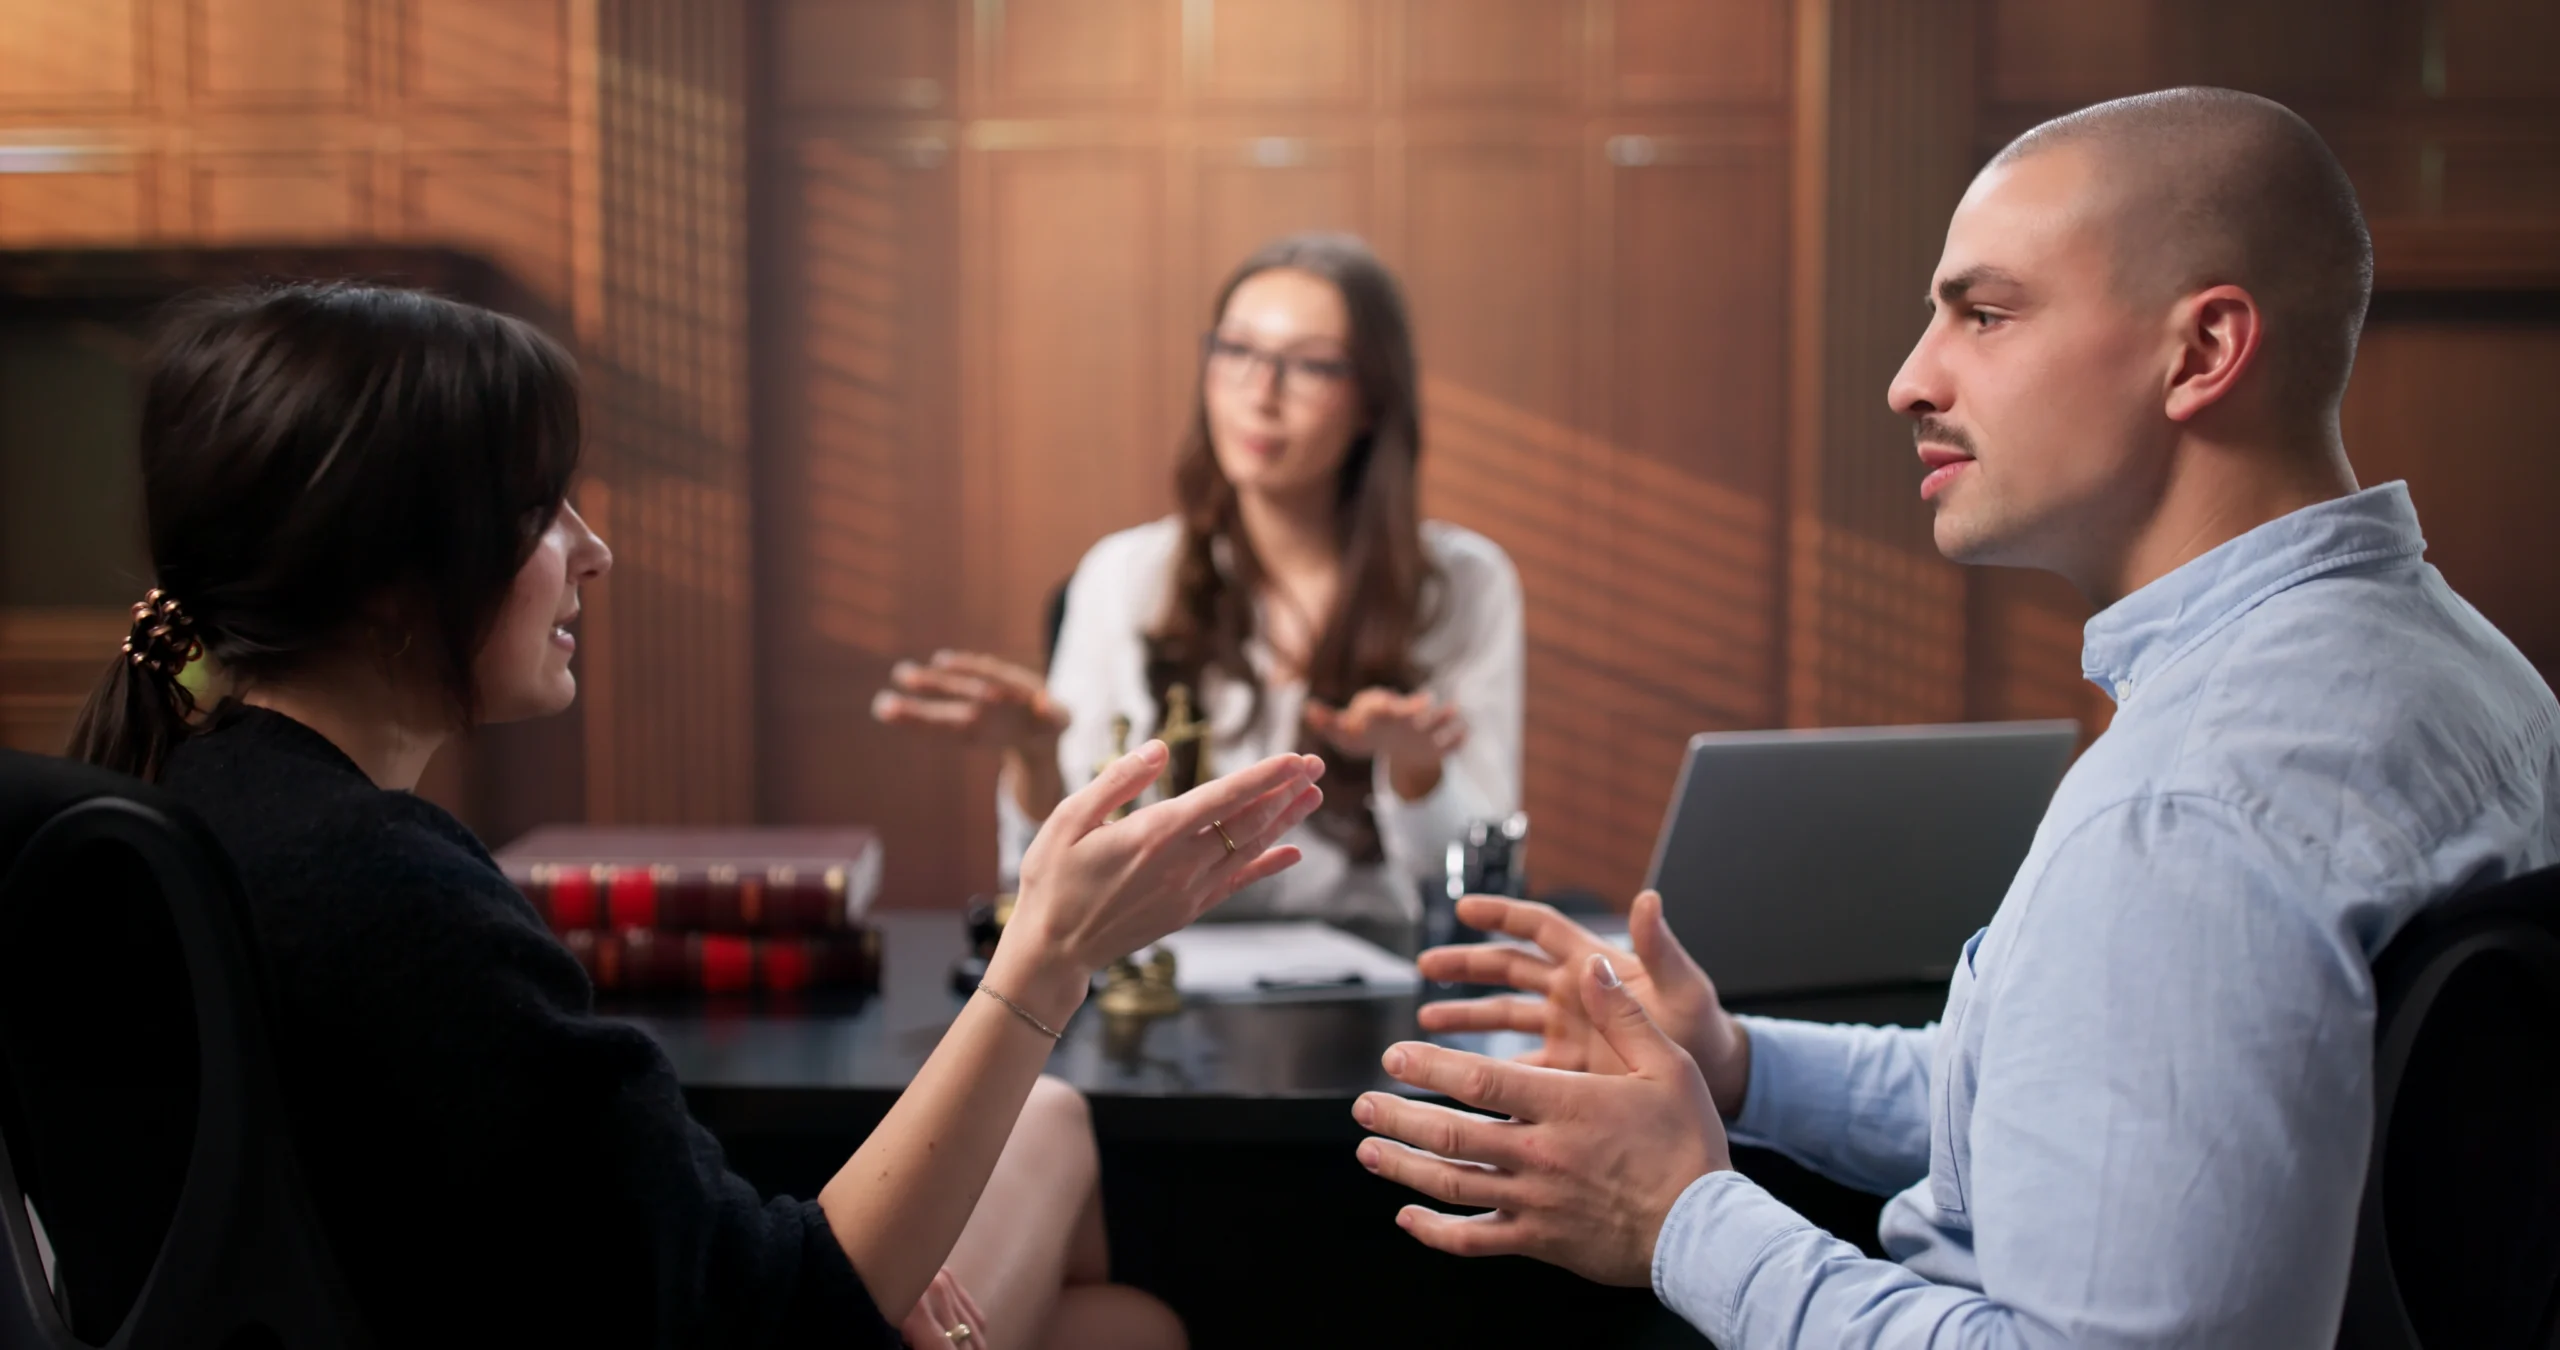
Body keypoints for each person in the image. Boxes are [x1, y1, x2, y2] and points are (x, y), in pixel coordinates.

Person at [1348, 86, 2560, 1347]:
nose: (1907, 381)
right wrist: (1736, 1066)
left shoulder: (2188, 813)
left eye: (1984, 315)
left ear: (2199, 353)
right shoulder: (2470, 675)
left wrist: (1678, 1217)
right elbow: (2100, 1107)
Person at [66, 282, 1327, 1349]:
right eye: (537, 512)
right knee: (1105, 1265)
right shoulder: (388, 893)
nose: (593, 549)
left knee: (1113, 1320)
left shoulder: (186, 801)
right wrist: (1045, 962)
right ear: (398, 573)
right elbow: (772, 1314)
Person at [873, 233, 1522, 925]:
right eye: (1236, 351)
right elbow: (1040, 875)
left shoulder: (1464, 585)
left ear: (1372, 398)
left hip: (1381, 983)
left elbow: (1477, 894)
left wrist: (1417, 771)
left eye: (1309, 366)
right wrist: (1035, 757)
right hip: (1164, 976)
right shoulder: (1125, 575)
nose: (1260, 394)